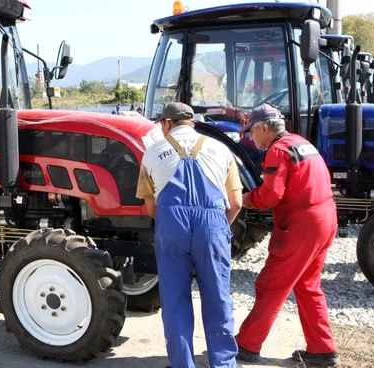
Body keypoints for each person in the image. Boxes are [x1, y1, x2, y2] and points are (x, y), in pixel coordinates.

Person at [136, 102, 243, 368]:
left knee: (174, 299)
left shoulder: (152, 153)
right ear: (192, 122)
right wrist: (218, 226)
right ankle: (223, 364)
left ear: (167, 124)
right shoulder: (222, 149)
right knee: (218, 297)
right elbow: (237, 203)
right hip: (213, 224)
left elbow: (151, 208)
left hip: (172, 225)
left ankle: (183, 363)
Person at [234, 104, 339, 368]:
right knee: (308, 286)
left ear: (264, 128)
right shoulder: (301, 143)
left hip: (301, 225)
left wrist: (245, 200)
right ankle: (323, 351)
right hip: (325, 218)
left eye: (251, 133)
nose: (250, 138)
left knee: (271, 285)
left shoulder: (277, 151)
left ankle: (246, 345)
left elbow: (271, 195)